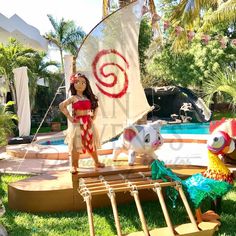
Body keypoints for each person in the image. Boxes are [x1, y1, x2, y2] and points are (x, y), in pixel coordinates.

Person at [59, 72, 105, 174]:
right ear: (73, 84)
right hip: (78, 124)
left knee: (90, 143)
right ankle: (74, 165)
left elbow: (96, 106)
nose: (80, 84)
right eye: (77, 82)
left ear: (86, 85)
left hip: (88, 123)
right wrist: (69, 117)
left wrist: (94, 116)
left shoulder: (88, 97)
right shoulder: (73, 98)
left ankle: (96, 162)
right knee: (76, 145)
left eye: (83, 82)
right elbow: (62, 105)